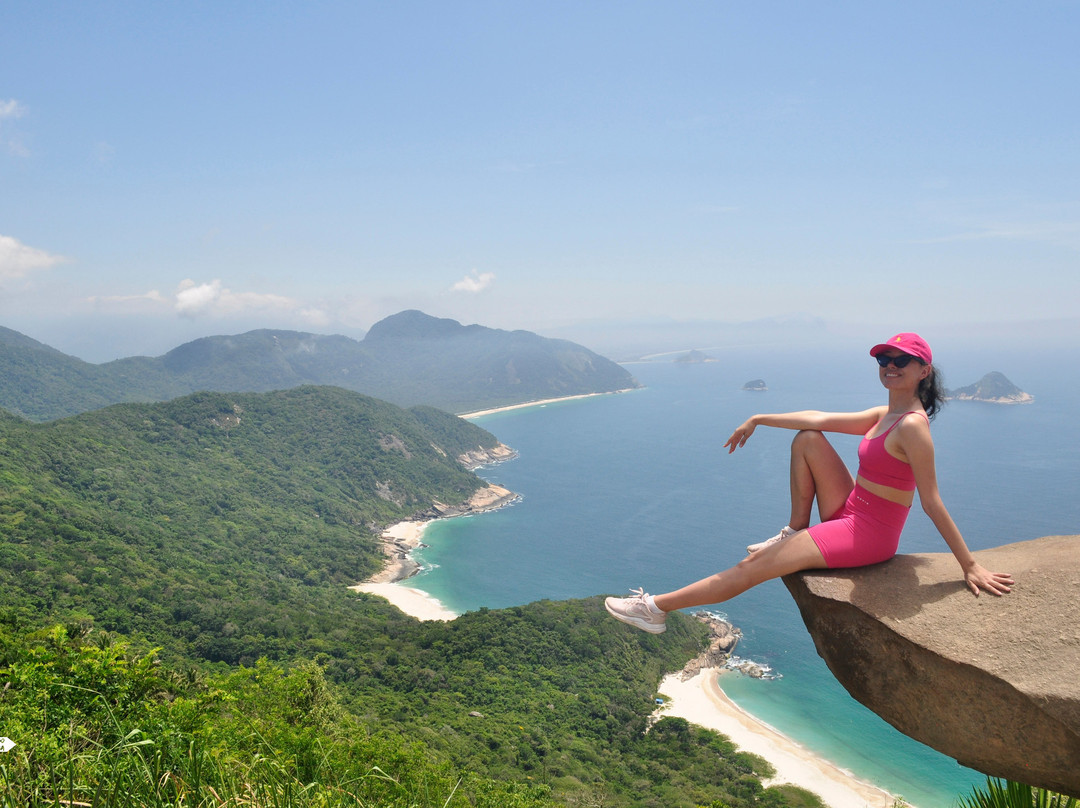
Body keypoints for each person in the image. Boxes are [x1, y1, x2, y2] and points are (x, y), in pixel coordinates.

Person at [605, 333, 1014, 634]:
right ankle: (794, 530)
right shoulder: (883, 415)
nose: (890, 365)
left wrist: (970, 564)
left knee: (753, 567)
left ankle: (655, 609)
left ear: (923, 371)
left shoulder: (912, 429)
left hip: (869, 534)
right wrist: (759, 418)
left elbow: (932, 502)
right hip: (852, 509)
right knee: (808, 440)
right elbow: (817, 420)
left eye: (901, 360)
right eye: (883, 359)